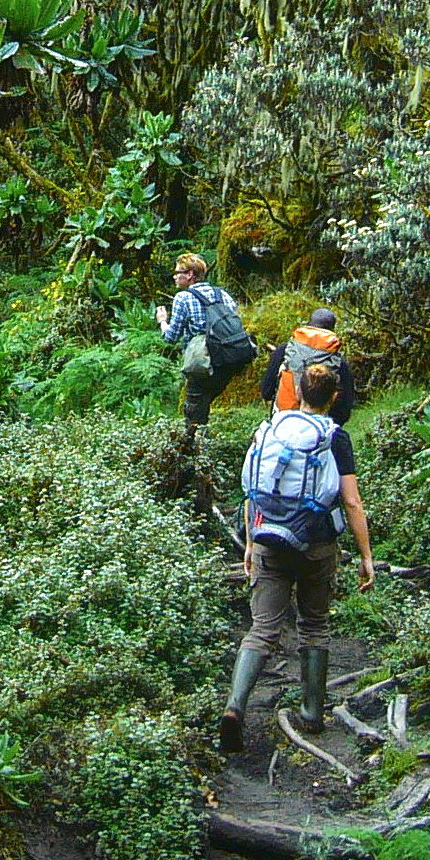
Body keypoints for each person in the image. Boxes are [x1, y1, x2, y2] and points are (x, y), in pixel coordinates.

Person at [219, 361, 375, 754]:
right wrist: (366, 556)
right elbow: (351, 502)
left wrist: (252, 543)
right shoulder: (335, 438)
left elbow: (254, 490)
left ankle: (235, 707)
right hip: (316, 546)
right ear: (334, 398)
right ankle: (311, 713)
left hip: (269, 539)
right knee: (314, 625)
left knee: (262, 629)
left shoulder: (272, 430)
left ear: (298, 392)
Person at [157, 252, 256, 431]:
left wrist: (163, 321)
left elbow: (171, 337)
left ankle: (195, 450)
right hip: (227, 359)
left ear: (190, 275)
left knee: (193, 412)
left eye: (178, 272)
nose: (175, 276)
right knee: (207, 401)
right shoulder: (223, 294)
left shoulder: (183, 297)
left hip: (203, 363)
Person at [261, 307, 356, 424]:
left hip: (282, 423)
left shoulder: (284, 351)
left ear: (308, 324)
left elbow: (266, 392)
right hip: (320, 431)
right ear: (332, 331)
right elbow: (344, 413)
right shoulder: (339, 363)